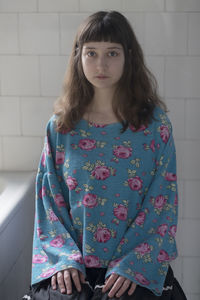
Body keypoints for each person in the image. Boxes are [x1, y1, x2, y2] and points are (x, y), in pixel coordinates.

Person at [22, 10, 187, 300]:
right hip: (73, 263)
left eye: (112, 53)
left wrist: (131, 265)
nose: (101, 64)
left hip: (134, 262)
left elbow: (162, 204)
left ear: (128, 57)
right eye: (91, 53)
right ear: (78, 57)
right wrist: (64, 260)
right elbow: (49, 202)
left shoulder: (154, 127)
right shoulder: (62, 126)